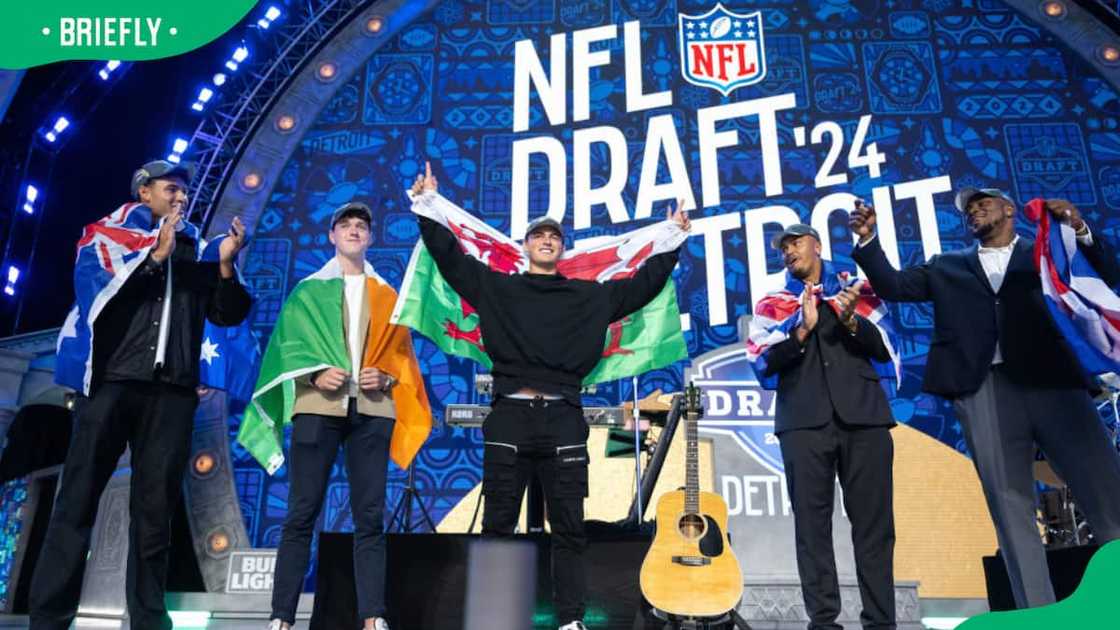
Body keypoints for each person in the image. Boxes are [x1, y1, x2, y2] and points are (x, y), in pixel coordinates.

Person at [410, 162, 689, 630]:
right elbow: (451, 260)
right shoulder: (497, 287)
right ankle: (496, 619)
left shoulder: (588, 296)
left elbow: (644, 286)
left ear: (561, 249)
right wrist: (427, 206)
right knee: (498, 525)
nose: (547, 240)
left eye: (554, 237)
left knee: (569, 529)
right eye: (539, 235)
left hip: (563, 417)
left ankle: (570, 621)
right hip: (510, 418)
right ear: (525, 246)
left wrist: (673, 239)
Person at [850, 189, 1120, 608]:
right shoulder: (948, 266)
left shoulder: (1046, 256)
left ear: (1009, 210)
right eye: (969, 208)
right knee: (1010, 508)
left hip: (1055, 384)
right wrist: (868, 241)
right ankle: (1037, 613)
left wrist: (1079, 228)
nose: (975, 210)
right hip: (986, 391)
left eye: (983, 202)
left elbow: (1104, 271)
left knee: (1107, 494)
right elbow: (894, 286)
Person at [34, 160, 252, 630]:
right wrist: (153, 257)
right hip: (112, 384)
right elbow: (96, 293)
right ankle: (48, 620)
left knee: (154, 517)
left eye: (183, 192)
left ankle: (150, 623)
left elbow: (228, 314)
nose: (179, 198)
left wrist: (227, 264)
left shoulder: (196, 248)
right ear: (144, 191)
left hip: (171, 395)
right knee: (76, 504)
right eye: (170, 189)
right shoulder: (105, 239)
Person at [238, 202, 432, 630]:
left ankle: (372, 617)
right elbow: (286, 349)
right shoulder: (307, 291)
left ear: (371, 238)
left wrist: (383, 376)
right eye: (345, 224)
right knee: (301, 512)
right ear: (331, 236)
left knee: (370, 516)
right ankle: (281, 617)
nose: (354, 230)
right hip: (317, 408)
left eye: (362, 225)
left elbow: (401, 358)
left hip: (372, 409)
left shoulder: (387, 294)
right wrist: (313, 374)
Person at [747, 224, 897, 630]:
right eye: (783, 248)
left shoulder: (855, 288)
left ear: (816, 245)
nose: (788, 252)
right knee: (811, 529)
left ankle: (881, 622)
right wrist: (801, 329)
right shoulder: (773, 303)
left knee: (874, 526)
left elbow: (885, 344)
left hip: (864, 417)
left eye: (795, 243)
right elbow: (763, 363)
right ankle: (824, 621)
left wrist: (849, 320)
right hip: (802, 422)